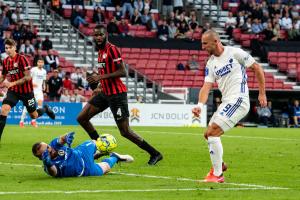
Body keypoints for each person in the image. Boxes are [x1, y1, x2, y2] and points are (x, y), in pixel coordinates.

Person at [77, 25, 163, 165]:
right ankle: (101, 148)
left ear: (106, 35)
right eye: (96, 35)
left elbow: (123, 72)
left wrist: (100, 77)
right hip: (105, 92)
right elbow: (105, 75)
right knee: (82, 118)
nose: (98, 37)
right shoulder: (100, 52)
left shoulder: (112, 49)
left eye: (100, 35)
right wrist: (99, 86)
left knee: (125, 131)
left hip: (117, 95)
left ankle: (155, 153)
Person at [192, 30, 267, 183]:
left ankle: (217, 175)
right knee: (208, 134)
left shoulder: (235, 53)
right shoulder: (211, 63)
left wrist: (262, 93)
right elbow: (206, 86)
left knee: (213, 132)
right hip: (227, 101)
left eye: (205, 43)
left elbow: (257, 68)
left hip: (239, 100)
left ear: (216, 41)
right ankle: (219, 165)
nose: (202, 47)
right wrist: (199, 104)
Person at [0, 39, 55, 140]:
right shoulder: (5, 61)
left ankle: (45, 109)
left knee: (34, 116)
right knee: (4, 110)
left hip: (27, 92)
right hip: (14, 91)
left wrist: (12, 83)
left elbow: (28, 77)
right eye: (6, 48)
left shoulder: (22, 59)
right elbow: (3, 76)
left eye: (10, 47)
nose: (8, 50)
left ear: (15, 47)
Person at [32, 132, 134, 178]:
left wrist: (66, 137)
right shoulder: (48, 167)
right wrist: (49, 164)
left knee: (93, 142)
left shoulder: (53, 144)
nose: (51, 149)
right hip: (85, 169)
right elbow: (54, 172)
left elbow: (61, 139)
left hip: (80, 152)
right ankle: (115, 157)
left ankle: (97, 153)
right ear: (42, 157)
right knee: (106, 168)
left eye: (48, 147)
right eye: (47, 152)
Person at [19, 56, 47, 128]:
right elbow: (28, 78)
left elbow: (44, 81)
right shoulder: (33, 70)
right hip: (32, 91)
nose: (40, 63)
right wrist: (31, 84)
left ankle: (33, 121)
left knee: (40, 105)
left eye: (41, 62)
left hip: (39, 91)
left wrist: (44, 87)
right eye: (39, 62)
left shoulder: (44, 71)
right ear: (37, 63)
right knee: (27, 106)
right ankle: (21, 121)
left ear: (43, 63)